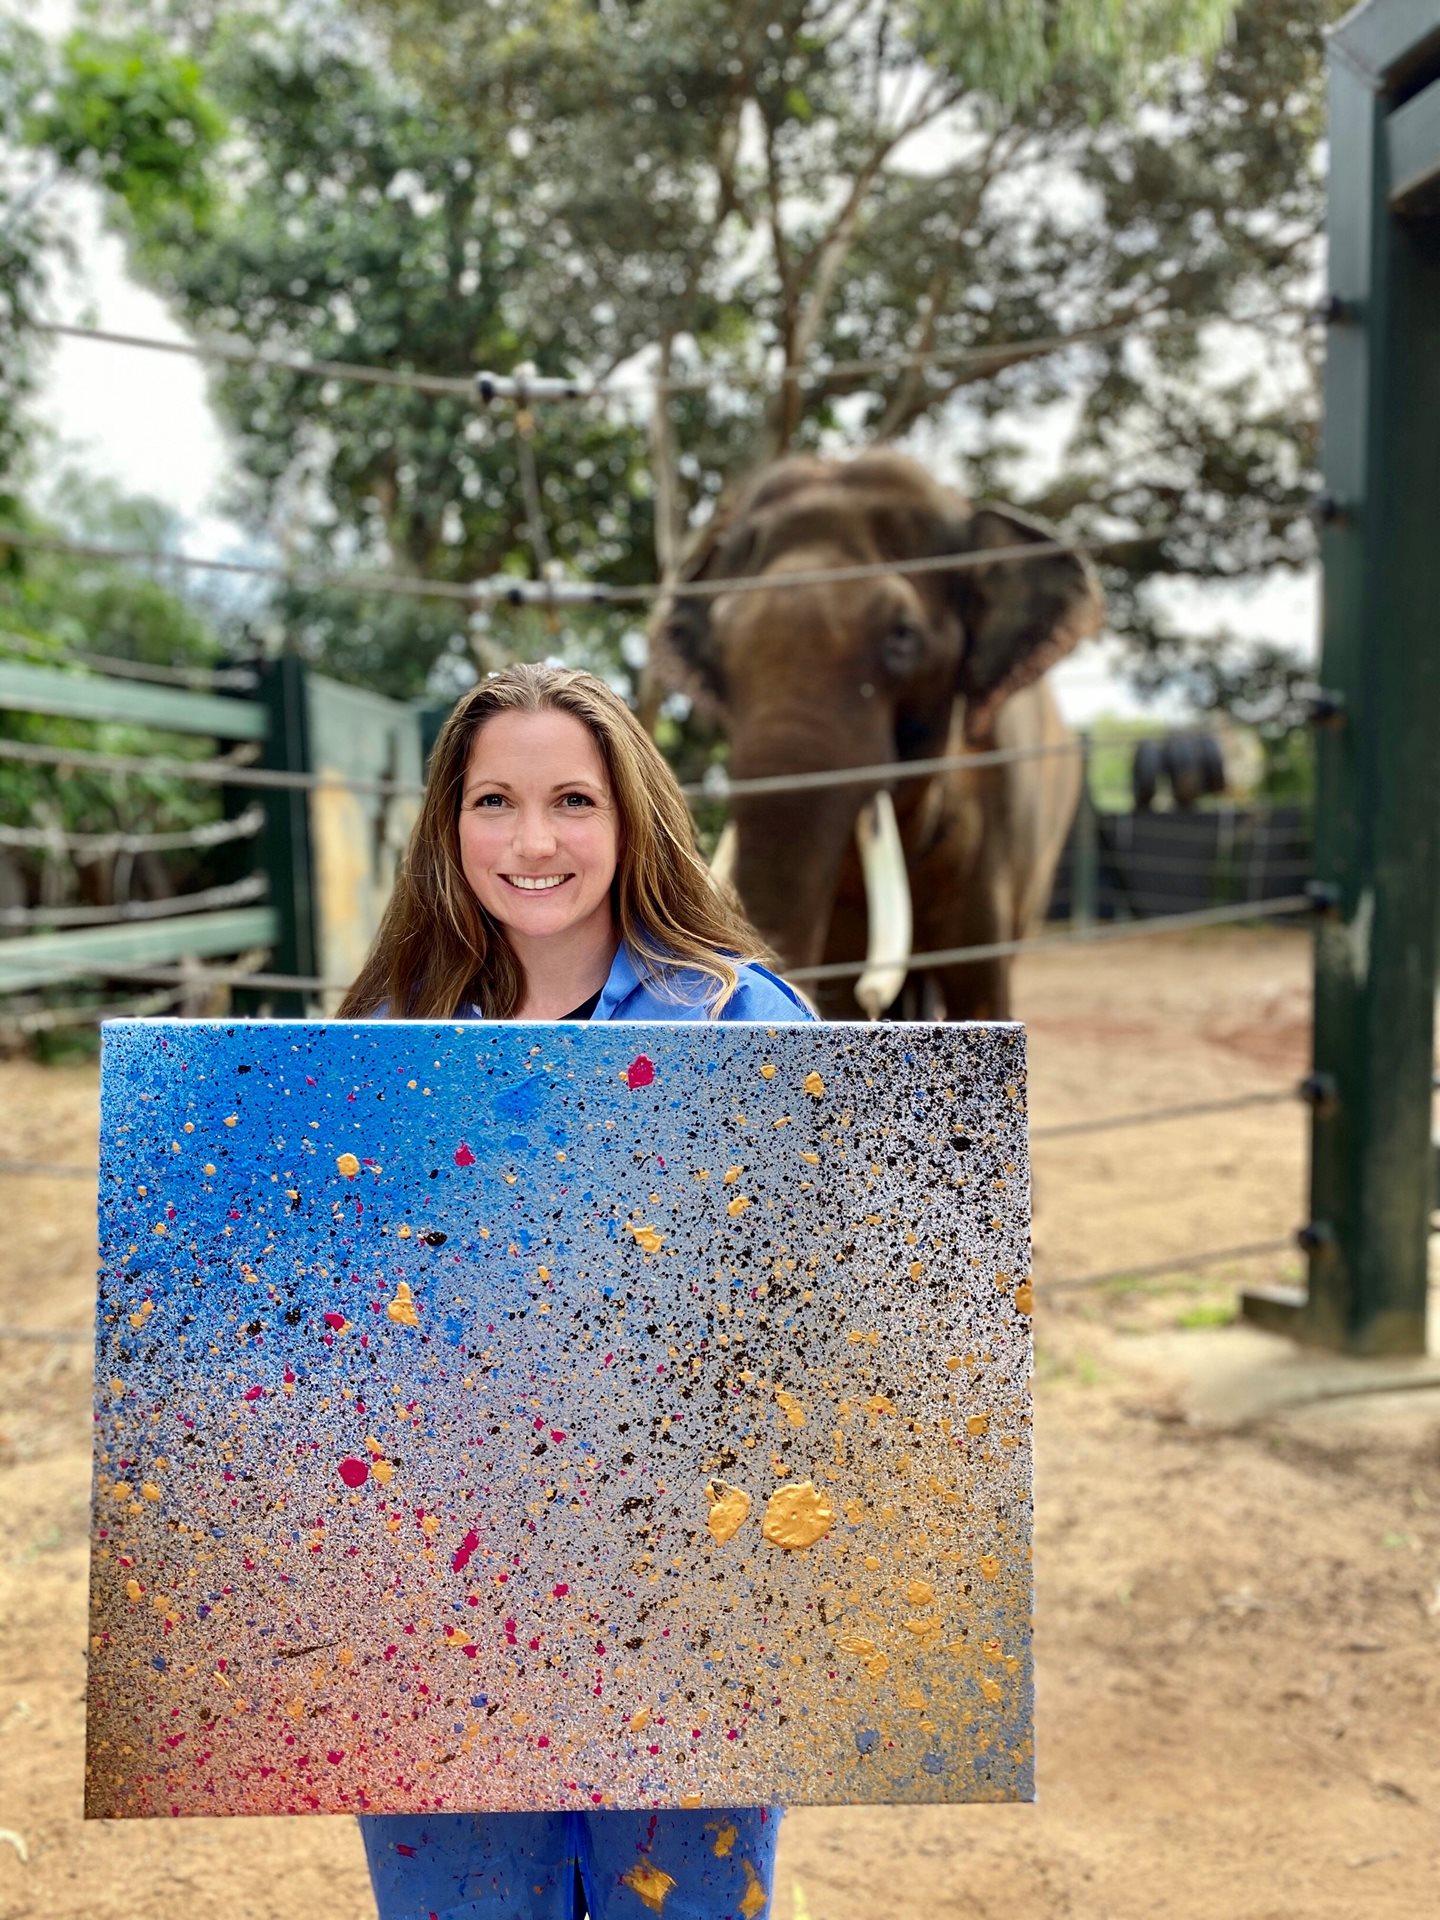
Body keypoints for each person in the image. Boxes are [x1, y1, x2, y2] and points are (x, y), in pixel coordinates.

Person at [338, 662, 815, 1919]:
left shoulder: (745, 1026)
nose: (533, 841)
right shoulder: (375, 1040)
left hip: (690, 1596)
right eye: (494, 802)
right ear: (449, 825)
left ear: (634, 818)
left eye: (574, 802)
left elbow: (828, 1332)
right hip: (441, 1607)